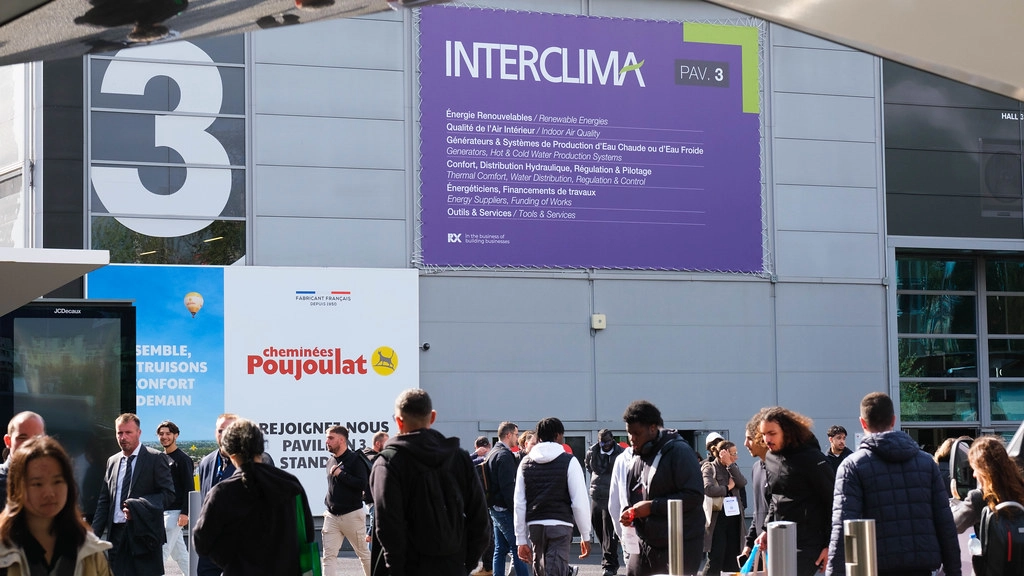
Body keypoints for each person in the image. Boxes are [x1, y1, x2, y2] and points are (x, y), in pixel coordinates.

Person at [825, 392, 960, 576]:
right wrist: (954, 571)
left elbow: (842, 528)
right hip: (921, 567)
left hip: (873, 566)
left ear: (862, 423)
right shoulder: (926, 463)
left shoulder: (851, 466)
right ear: (894, 420)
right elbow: (945, 524)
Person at [369, 388, 489, 576]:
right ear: (432, 417)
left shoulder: (388, 463)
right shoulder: (459, 458)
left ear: (398, 421)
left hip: (408, 568)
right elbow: (480, 519)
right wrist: (465, 563)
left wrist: (395, 569)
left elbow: (388, 527)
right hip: (452, 566)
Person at [194, 418, 315, 576]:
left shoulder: (222, 491)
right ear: (261, 446)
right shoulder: (290, 484)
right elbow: (308, 534)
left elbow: (202, 542)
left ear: (230, 452)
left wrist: (229, 561)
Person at [0, 436, 112, 575]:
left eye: (57, 481)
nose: (49, 493)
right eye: (37, 484)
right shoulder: (4, 550)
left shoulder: (90, 550)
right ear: (18, 488)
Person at [619, 400, 704, 576]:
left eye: (637, 433)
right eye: (629, 433)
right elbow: (636, 496)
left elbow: (694, 496)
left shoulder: (680, 451)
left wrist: (651, 507)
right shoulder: (637, 458)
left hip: (680, 544)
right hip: (644, 543)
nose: (632, 439)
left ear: (653, 428)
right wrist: (630, 513)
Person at [91, 413, 174, 576]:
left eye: (128, 432)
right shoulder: (112, 461)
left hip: (144, 535)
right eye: (119, 433)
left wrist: (138, 506)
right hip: (116, 536)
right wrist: (93, 537)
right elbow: (104, 501)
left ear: (139, 433)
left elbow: (168, 495)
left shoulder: (155, 458)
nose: (123, 437)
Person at [754, 407, 834, 576]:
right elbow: (775, 497)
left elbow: (833, 503)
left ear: (787, 431)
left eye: (772, 433)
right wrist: (766, 530)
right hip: (780, 539)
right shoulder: (770, 457)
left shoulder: (813, 459)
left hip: (809, 543)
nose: (766, 439)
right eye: (763, 434)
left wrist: (829, 545)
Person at [514, 417, 592, 576]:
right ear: (558, 435)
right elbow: (580, 502)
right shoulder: (569, 461)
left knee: (541, 571)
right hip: (560, 524)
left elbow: (519, 503)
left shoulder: (525, 462)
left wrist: (521, 539)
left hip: (535, 525)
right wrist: (585, 534)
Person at [322, 425, 371, 576]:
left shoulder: (355, 460)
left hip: (352, 515)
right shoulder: (330, 460)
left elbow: (362, 484)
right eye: (327, 438)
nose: (327, 441)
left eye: (331, 438)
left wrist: (340, 474)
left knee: (363, 554)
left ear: (342, 440)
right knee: (328, 557)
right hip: (331, 516)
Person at [951, 436, 1024, 533]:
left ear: (983, 471)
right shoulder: (1020, 489)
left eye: (975, 469)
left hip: (996, 548)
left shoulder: (980, 498)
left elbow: (954, 525)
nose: (974, 475)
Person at [196, 413, 238, 576]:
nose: (224, 435)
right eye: (221, 431)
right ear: (215, 433)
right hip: (210, 548)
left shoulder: (257, 460)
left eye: (230, 430)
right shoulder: (206, 462)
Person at [486, 422, 530, 576]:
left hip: (495, 508)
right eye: (517, 434)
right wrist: (516, 511)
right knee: (517, 546)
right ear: (508, 435)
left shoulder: (492, 452)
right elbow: (507, 488)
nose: (518, 438)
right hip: (505, 510)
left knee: (500, 548)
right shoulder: (504, 455)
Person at [702, 440, 747, 576]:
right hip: (718, 519)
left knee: (733, 559)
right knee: (716, 558)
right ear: (723, 453)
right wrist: (727, 488)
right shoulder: (709, 467)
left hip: (734, 519)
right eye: (733, 453)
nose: (736, 456)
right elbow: (708, 489)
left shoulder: (733, 467)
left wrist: (730, 464)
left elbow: (742, 482)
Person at [585, 429, 624, 576]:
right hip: (596, 494)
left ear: (612, 439)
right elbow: (588, 466)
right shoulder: (592, 451)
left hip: (612, 495)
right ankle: (610, 559)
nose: (605, 445)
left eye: (607, 442)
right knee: (599, 529)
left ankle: (609, 565)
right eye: (602, 442)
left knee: (609, 531)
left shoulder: (620, 452)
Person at [157, 420, 193, 575]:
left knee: (159, 554)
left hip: (175, 514)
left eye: (168, 434)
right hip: (163, 512)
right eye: (161, 434)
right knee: (181, 556)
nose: (165, 437)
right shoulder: (160, 458)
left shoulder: (183, 459)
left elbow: (189, 488)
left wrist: (185, 512)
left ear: (176, 435)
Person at [741, 408, 770, 564]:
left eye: (749, 438)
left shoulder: (780, 469)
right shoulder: (756, 468)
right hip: (760, 545)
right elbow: (758, 511)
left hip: (779, 544)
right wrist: (748, 542)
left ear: (761, 438)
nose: (745, 444)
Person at [0, 412, 46, 508]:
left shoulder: (53, 481)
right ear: (8, 441)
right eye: (22, 438)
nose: (30, 443)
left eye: (37, 438)